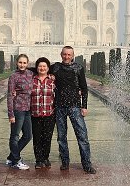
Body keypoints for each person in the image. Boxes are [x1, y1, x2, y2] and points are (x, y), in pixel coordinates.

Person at [50, 46, 96, 174]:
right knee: (61, 137)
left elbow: (84, 88)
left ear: (73, 55)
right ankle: (65, 162)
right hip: (60, 106)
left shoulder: (78, 68)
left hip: (75, 106)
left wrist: (84, 106)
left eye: (69, 54)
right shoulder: (56, 67)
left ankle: (86, 164)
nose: (66, 56)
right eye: (64, 54)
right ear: (61, 54)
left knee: (82, 136)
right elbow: (39, 68)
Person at [6, 54, 33, 170]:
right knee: (15, 136)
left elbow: (43, 70)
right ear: (17, 63)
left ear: (27, 64)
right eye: (20, 62)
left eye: (24, 63)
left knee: (28, 136)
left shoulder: (31, 74)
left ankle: (11, 157)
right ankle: (16, 160)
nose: (22, 65)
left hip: (27, 110)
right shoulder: (13, 77)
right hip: (17, 109)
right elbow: (9, 96)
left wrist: (51, 76)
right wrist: (11, 114)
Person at [31, 57, 56, 169]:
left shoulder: (53, 80)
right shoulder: (31, 79)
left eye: (44, 66)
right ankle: (38, 160)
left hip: (49, 114)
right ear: (36, 68)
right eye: (40, 66)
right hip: (35, 114)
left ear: (48, 68)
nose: (42, 68)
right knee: (37, 138)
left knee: (47, 137)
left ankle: (45, 158)